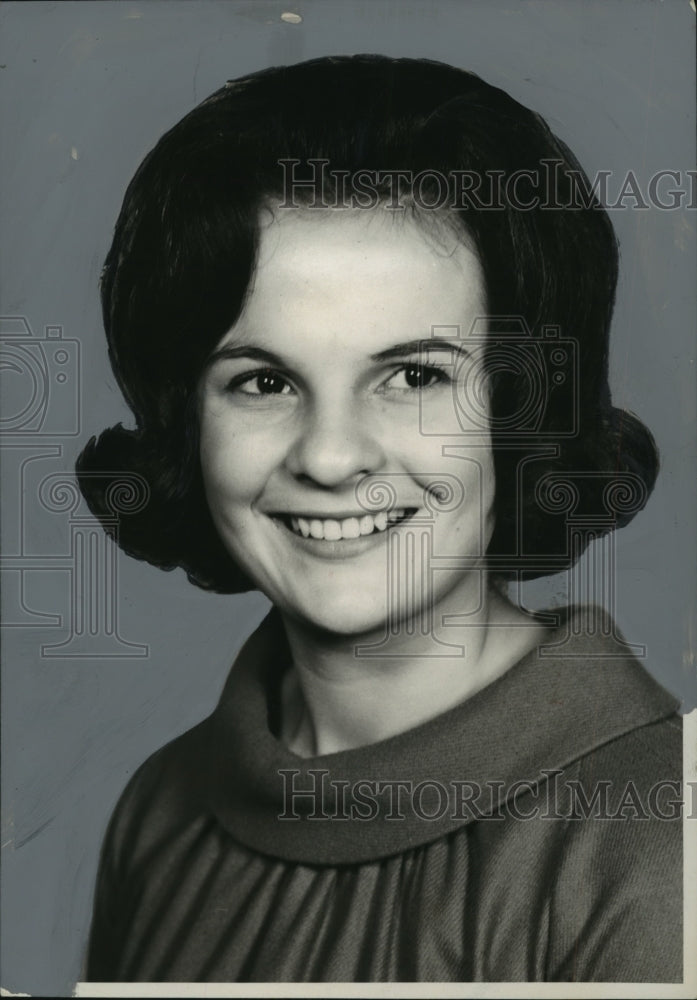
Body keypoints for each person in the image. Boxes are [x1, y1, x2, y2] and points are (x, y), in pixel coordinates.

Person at [77, 54, 682, 983]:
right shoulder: (159, 810)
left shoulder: (659, 844)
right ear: (187, 422)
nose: (328, 456)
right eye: (264, 382)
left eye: (413, 376)